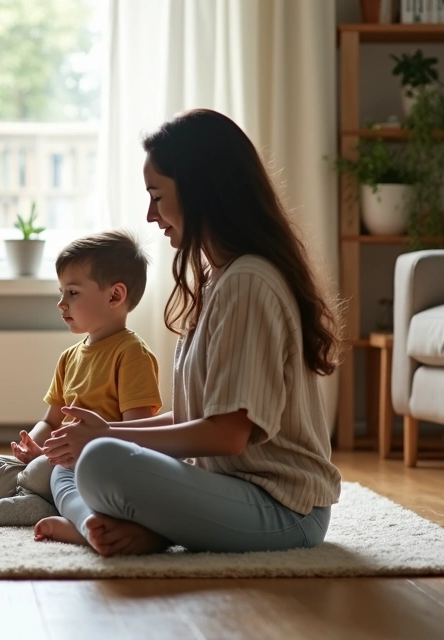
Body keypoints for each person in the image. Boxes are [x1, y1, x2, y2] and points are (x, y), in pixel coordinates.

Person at [34, 108, 343, 556]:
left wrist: (108, 437)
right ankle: (125, 527)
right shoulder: (220, 279)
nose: (150, 214)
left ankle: (127, 528)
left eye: (157, 196)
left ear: (201, 192)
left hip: (283, 510)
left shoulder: (248, 282)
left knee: (100, 459)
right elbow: (191, 417)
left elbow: (226, 436)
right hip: (225, 490)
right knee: (75, 462)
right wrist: (98, 433)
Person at [0, 231, 162, 526]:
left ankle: (38, 499)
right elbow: (51, 421)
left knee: (50, 470)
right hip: (52, 462)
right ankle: (34, 496)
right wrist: (31, 446)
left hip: (93, 466)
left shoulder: (131, 354)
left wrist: (53, 457)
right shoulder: (69, 357)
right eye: (61, 292)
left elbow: (135, 434)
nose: (61, 303)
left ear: (115, 295)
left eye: (72, 292)